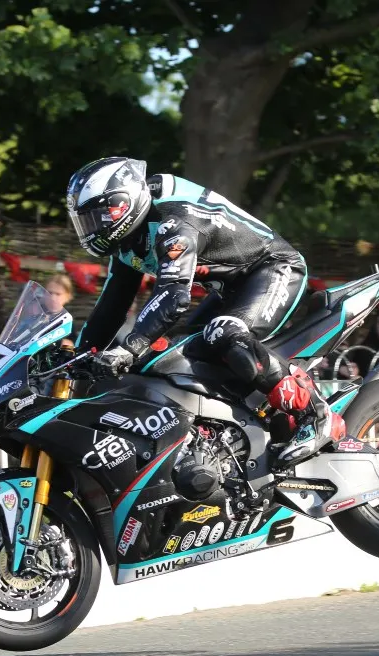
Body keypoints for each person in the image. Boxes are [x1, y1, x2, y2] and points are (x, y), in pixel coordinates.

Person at [66, 156, 345, 468]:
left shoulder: (176, 222)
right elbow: (111, 306)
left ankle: (317, 414)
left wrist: (129, 348)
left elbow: (174, 297)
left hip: (275, 268)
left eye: (99, 216)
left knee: (223, 333)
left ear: (124, 202)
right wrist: (77, 355)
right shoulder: (127, 239)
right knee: (179, 354)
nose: (94, 228)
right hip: (231, 286)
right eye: (85, 220)